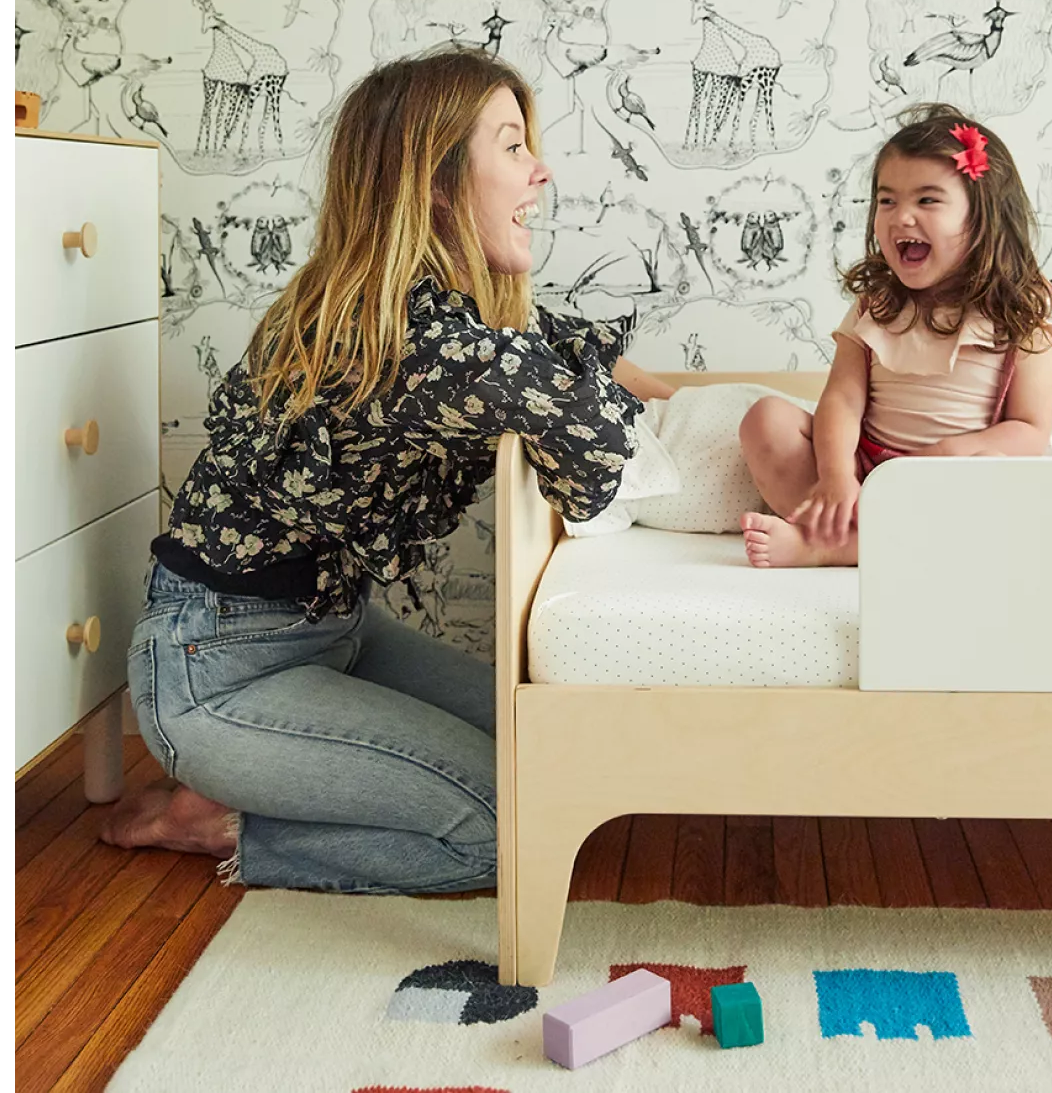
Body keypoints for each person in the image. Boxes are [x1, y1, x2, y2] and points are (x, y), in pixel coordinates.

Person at [101, 48, 676, 893]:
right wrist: (756, 448)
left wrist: (735, 413)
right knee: (503, 836)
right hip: (217, 666)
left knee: (551, 762)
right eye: (512, 146)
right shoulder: (415, 340)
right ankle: (217, 821)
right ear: (435, 182)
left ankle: (275, 778)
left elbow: (580, 355)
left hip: (335, 634)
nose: (541, 170)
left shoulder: (446, 315)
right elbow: (592, 446)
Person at [739, 103, 1052, 569]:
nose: (901, 217)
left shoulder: (1020, 317)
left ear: (983, 217)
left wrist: (950, 454)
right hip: (865, 466)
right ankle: (840, 525)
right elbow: (842, 399)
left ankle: (830, 548)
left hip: (948, 480)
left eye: (927, 201)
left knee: (1000, 494)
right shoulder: (877, 306)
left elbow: (1030, 430)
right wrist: (836, 475)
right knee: (765, 419)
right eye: (887, 201)